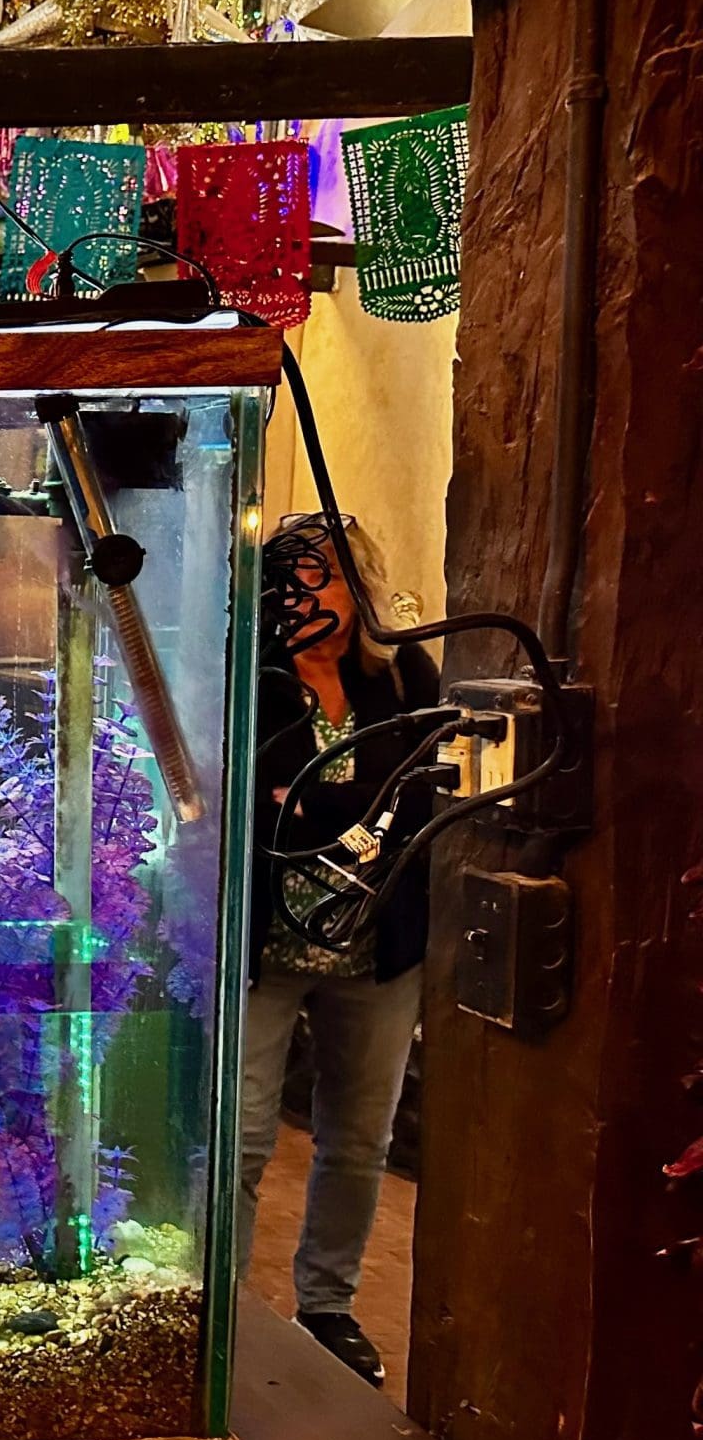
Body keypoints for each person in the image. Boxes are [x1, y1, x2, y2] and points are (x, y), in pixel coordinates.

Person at [239, 514, 438, 1388]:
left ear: (358, 587)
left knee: (359, 1139)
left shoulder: (406, 675)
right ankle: (225, 1314)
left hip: (378, 946)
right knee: (242, 1139)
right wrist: (343, 812)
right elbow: (245, 801)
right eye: (288, 579)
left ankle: (328, 1306)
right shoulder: (252, 677)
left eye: (320, 576)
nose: (302, 594)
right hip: (265, 942)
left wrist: (309, 806)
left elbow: (420, 799)